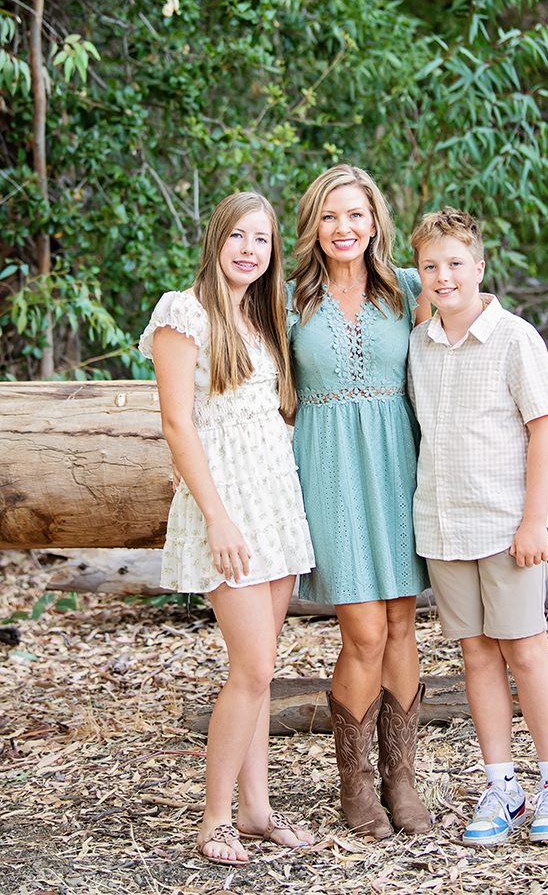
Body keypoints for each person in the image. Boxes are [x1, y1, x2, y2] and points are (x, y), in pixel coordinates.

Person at [138, 192, 316, 865]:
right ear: (215, 239)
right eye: (238, 236)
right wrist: (216, 517)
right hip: (227, 507)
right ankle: (213, 819)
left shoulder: (261, 317)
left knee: (261, 674)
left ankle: (256, 808)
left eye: (261, 240)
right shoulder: (183, 313)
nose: (248, 249)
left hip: (274, 501)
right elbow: (179, 424)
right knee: (253, 667)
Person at [408, 207, 548, 847]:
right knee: (476, 652)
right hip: (444, 526)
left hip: (506, 526)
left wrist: (535, 519)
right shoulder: (421, 344)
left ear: (479, 267)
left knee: (525, 649)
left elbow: (544, 427)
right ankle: (501, 783)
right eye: (430, 266)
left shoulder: (513, 338)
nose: (443, 276)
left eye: (455, 264)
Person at [287, 164, 432, 839]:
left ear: (375, 220)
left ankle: (402, 780)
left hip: (397, 466)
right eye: (329, 216)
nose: (343, 229)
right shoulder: (287, 301)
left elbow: (450, 359)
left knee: (402, 623)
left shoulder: (407, 289)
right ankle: (356, 786)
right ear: (313, 225)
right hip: (328, 469)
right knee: (364, 631)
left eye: (354, 215)